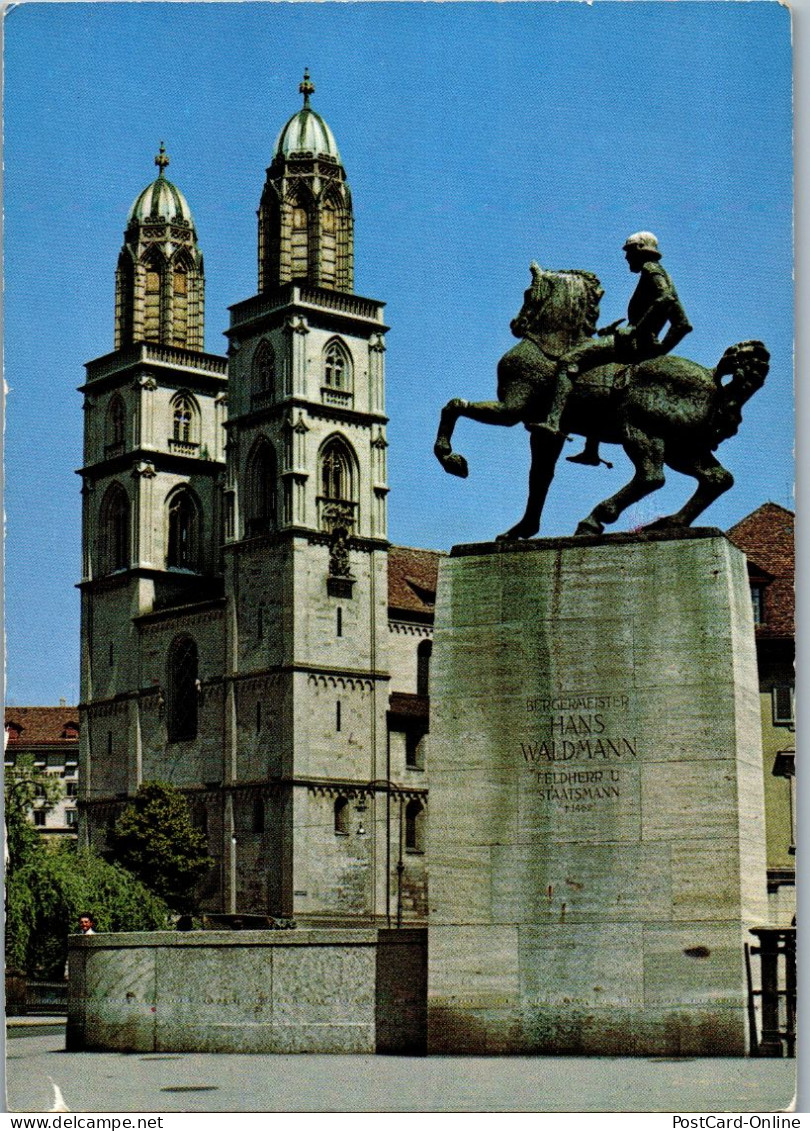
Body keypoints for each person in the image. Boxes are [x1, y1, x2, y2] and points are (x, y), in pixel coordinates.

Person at [529, 231, 693, 464]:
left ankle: (553, 422)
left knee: (568, 362)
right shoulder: (664, 275)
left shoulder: (651, 270)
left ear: (640, 250)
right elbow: (682, 325)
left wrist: (637, 331)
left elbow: (665, 299)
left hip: (632, 345)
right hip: (642, 346)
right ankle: (591, 450)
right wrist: (658, 350)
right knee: (600, 378)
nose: (626, 258)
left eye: (629, 252)